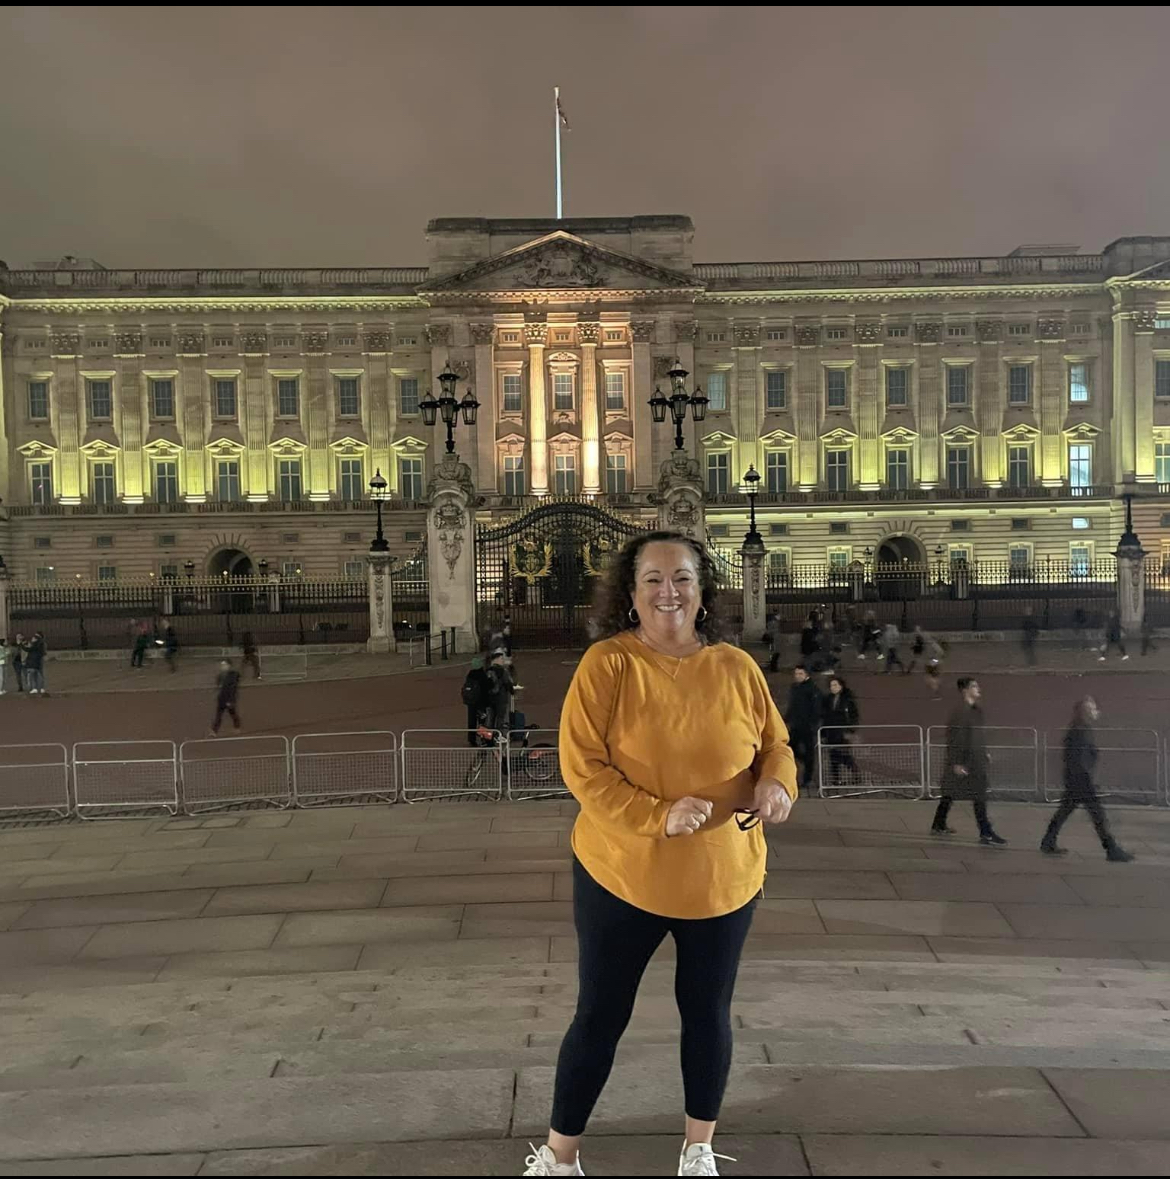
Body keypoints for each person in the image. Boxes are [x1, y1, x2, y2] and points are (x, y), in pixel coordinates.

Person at [523, 531, 796, 1179]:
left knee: (707, 1015)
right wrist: (658, 814)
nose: (668, 591)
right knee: (599, 1015)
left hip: (722, 876)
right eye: (653, 578)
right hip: (623, 874)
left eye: (682, 578)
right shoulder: (608, 664)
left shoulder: (735, 665)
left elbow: (774, 742)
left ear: (702, 591)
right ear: (631, 591)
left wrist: (777, 781)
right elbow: (583, 769)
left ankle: (697, 1149)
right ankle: (561, 1155)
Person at [1041, 697, 1134, 862]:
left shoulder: (1080, 729)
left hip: (1076, 780)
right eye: (1092, 709)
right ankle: (1111, 849)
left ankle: (1048, 841)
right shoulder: (1080, 731)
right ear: (1084, 712)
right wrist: (1087, 781)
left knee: (1065, 811)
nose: (1096, 711)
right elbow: (1078, 759)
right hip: (1081, 781)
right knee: (1098, 815)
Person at [930, 678, 1007, 846]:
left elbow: (977, 736)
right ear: (965, 690)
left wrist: (984, 752)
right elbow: (955, 739)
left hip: (974, 759)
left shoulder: (975, 711)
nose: (978, 689)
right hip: (967, 762)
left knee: (951, 793)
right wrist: (956, 763)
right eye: (974, 686)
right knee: (978, 796)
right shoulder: (961, 712)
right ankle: (985, 832)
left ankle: (939, 823)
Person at [784, 664, 822, 793]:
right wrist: (786, 720)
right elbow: (792, 706)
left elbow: (816, 709)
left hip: (807, 726)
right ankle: (805, 762)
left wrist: (813, 724)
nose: (797, 676)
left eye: (800, 674)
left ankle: (807, 777)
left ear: (807, 675)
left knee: (809, 751)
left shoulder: (813, 689)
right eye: (796, 674)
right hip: (796, 725)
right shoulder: (794, 687)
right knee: (790, 747)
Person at [820, 674, 859, 788]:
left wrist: (850, 730)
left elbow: (854, 715)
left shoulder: (847, 699)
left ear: (841, 686)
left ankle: (855, 773)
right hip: (831, 732)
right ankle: (836, 779)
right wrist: (823, 733)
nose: (833, 687)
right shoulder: (828, 699)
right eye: (831, 685)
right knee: (833, 756)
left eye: (835, 685)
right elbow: (825, 716)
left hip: (842, 732)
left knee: (845, 755)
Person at [461, 655, 493, 746]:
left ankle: (471, 739)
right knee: (482, 721)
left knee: (472, 721)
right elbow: (488, 686)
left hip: (471, 701)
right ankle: (483, 738)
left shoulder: (470, 674)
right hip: (481, 701)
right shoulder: (482, 674)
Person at [209, 659, 241, 735]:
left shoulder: (233, 675)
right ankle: (214, 731)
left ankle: (237, 726)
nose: (222, 667)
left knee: (233, 714)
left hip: (229, 698)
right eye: (222, 665)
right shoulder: (220, 675)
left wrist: (230, 700)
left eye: (224, 665)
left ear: (229, 666)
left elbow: (232, 689)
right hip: (221, 698)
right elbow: (218, 686)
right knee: (218, 715)